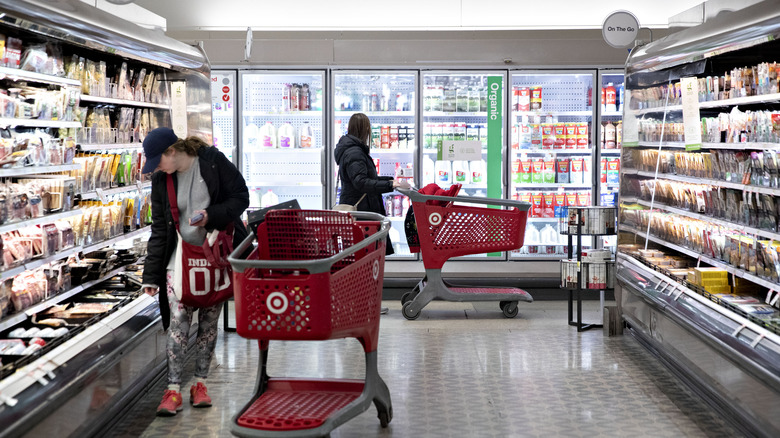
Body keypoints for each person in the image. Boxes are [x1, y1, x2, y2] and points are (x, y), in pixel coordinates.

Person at [140, 128, 249, 416]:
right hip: (178, 259)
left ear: (172, 152)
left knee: (209, 324)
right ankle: (173, 389)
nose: (156, 168)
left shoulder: (212, 162)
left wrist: (212, 215)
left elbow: (241, 197)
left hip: (214, 256)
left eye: (158, 161)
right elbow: (160, 229)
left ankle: (200, 384)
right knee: (178, 324)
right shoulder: (162, 181)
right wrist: (150, 275)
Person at [334, 113, 410, 313]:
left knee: (363, 258)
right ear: (364, 130)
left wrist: (391, 181)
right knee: (365, 259)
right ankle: (363, 304)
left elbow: (366, 178)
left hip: (363, 210)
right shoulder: (355, 153)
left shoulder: (351, 150)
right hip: (362, 212)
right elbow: (361, 183)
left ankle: (362, 302)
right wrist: (389, 184)